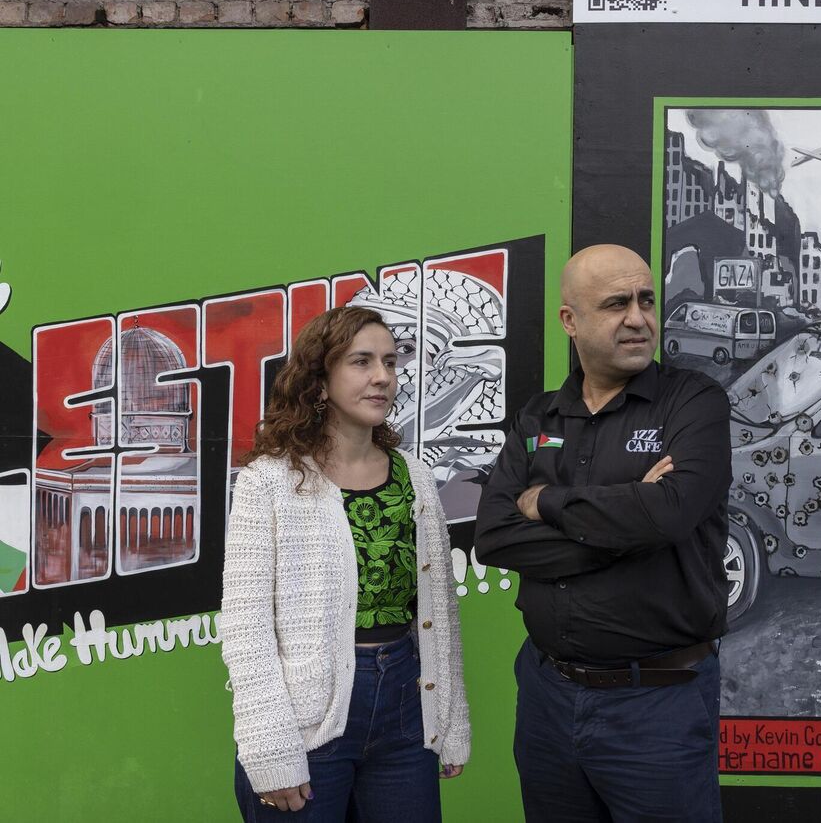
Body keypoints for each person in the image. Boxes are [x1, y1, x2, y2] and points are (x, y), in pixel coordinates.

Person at [475, 244, 732, 822]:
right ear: (570, 321)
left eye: (647, 300)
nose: (639, 318)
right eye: (617, 304)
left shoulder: (694, 402)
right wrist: (629, 524)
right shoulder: (539, 416)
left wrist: (547, 501)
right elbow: (493, 535)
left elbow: (670, 514)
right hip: (547, 694)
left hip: (658, 702)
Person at [221, 306, 469, 821]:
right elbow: (246, 627)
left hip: (406, 707)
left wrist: (450, 718)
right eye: (361, 362)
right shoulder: (268, 481)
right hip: (307, 721)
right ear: (319, 380)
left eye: (390, 362)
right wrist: (270, 746)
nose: (383, 377)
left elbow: (440, 612)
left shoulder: (415, 476)